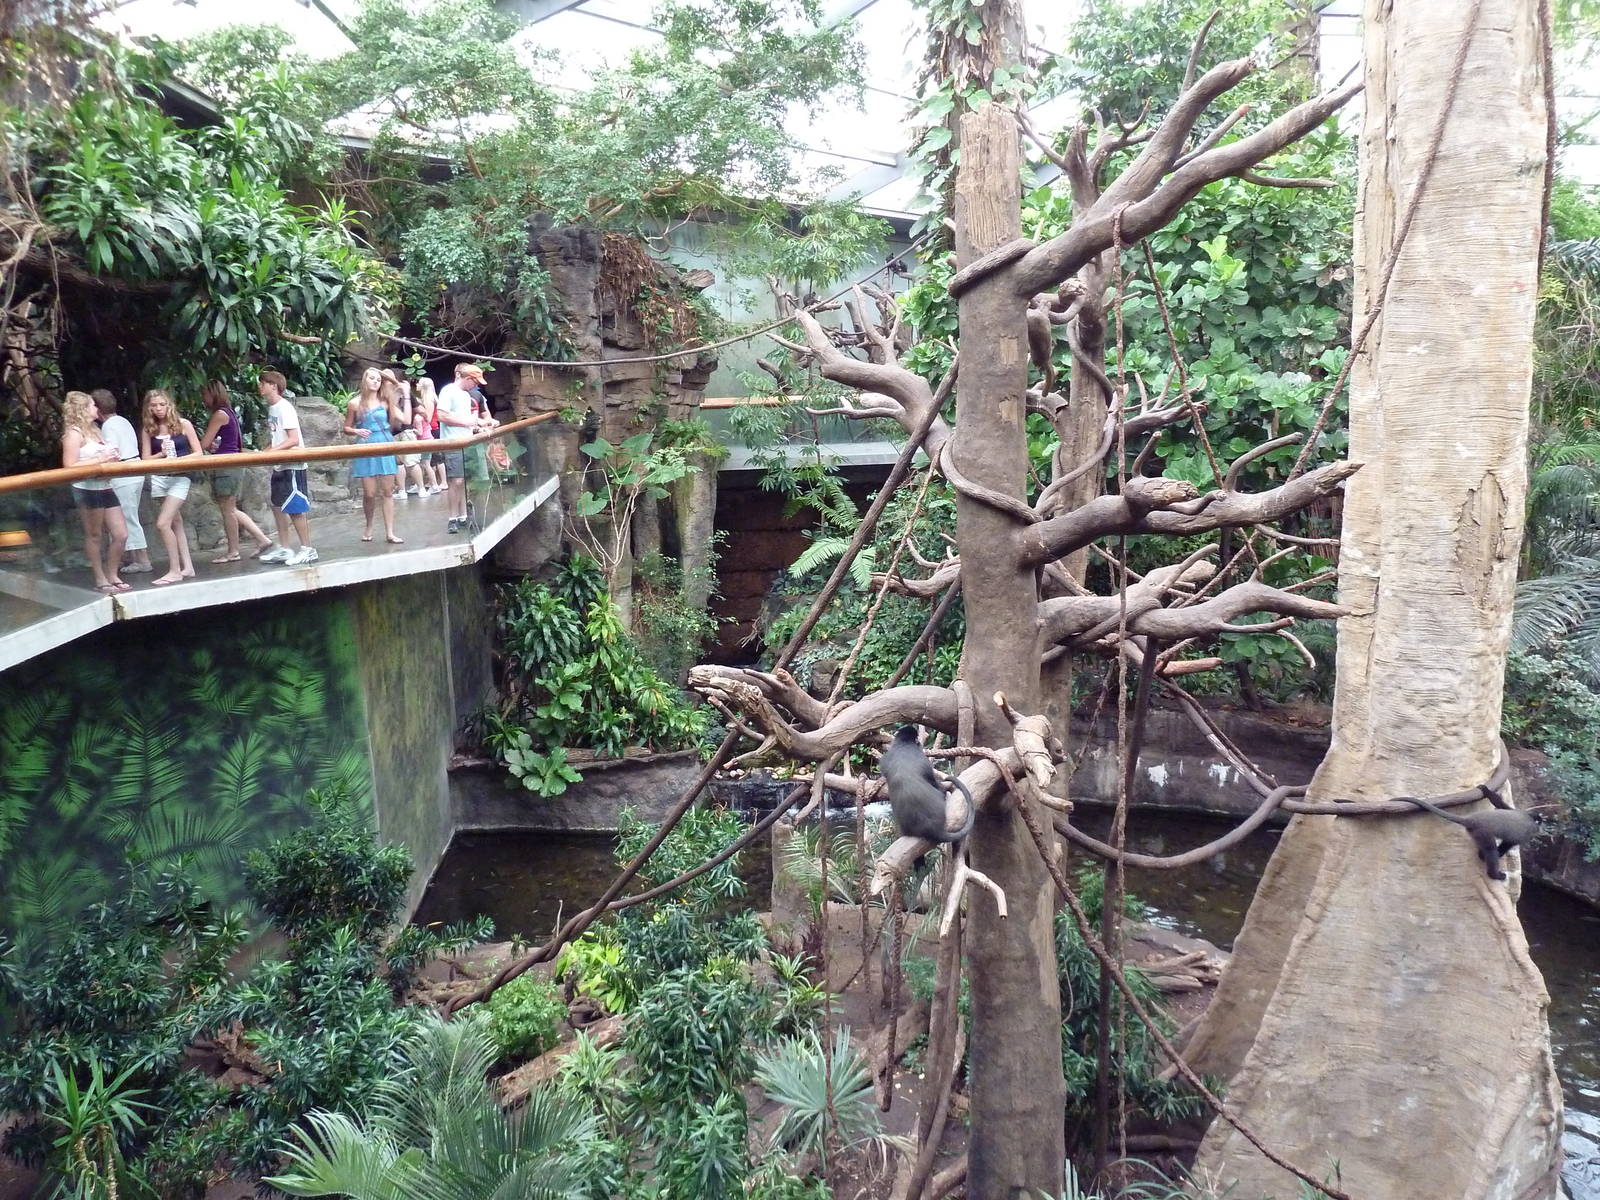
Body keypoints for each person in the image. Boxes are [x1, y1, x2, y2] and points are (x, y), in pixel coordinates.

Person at [199, 380, 275, 562]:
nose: (203, 399)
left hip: (226, 466)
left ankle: (233, 551)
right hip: (231, 464)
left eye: (205, 395)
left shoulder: (219, 414)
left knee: (228, 510)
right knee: (230, 508)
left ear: (213, 394)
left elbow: (204, 443)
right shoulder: (229, 413)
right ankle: (262, 539)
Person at [61, 390, 129, 593]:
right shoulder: (74, 434)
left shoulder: (96, 430)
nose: (96, 409)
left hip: (105, 485)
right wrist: (100, 460)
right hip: (86, 488)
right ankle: (100, 578)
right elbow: (69, 466)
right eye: (92, 405)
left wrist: (112, 459)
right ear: (82, 409)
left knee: (121, 534)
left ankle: (112, 573)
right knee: (94, 534)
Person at [139, 388, 202, 586]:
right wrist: (162, 455)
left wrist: (179, 459)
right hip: (159, 478)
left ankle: (175, 570)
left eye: (162, 404)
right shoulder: (148, 429)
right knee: (176, 521)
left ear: (169, 405)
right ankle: (188, 567)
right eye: (154, 405)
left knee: (162, 523)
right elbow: (145, 459)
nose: (158, 409)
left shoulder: (183, 424)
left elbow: (198, 452)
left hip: (180, 477)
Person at [256, 370, 316, 566]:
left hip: (293, 464)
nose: (260, 386)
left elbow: (293, 439)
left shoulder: (284, 408)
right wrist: (263, 452)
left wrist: (271, 453)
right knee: (277, 505)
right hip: (280, 464)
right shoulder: (273, 409)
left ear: (273, 385)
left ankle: (308, 549)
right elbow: (277, 439)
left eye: (263, 383)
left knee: (295, 507)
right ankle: (285, 548)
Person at [90, 388, 152, 575]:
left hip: (124, 474)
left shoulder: (109, 426)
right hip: (134, 470)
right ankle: (130, 557)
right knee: (129, 515)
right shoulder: (123, 420)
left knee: (127, 518)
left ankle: (142, 560)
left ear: (98, 409)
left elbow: (112, 452)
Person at [343, 366, 404, 544]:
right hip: (366, 445)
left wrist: (383, 375)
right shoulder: (354, 403)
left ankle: (390, 532)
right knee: (369, 493)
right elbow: (346, 428)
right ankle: (369, 525)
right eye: (371, 378)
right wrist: (356, 431)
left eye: (378, 379)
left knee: (387, 491)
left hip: (384, 444)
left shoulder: (385, 401)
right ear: (364, 380)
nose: (375, 381)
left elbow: (397, 385)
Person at [435, 362, 495, 534]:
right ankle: (452, 518)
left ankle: (463, 515)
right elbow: (442, 415)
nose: (476, 385)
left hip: (468, 441)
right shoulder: (449, 391)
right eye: (474, 381)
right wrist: (467, 422)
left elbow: (468, 420)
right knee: (456, 480)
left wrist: (480, 425)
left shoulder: (465, 395)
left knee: (465, 481)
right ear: (466, 378)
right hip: (453, 442)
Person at [380, 369, 418, 501]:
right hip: (384, 437)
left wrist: (406, 394)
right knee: (400, 463)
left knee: (409, 462)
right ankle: (401, 490)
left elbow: (406, 420)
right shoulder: (378, 398)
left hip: (401, 432)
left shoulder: (396, 396)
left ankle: (419, 488)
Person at [410, 377, 443, 495]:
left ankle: (435, 484)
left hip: (428, 433)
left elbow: (427, 418)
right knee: (426, 462)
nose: (416, 384)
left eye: (418, 382)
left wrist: (417, 422)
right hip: (428, 432)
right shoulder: (426, 399)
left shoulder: (428, 400)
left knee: (429, 462)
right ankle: (424, 484)